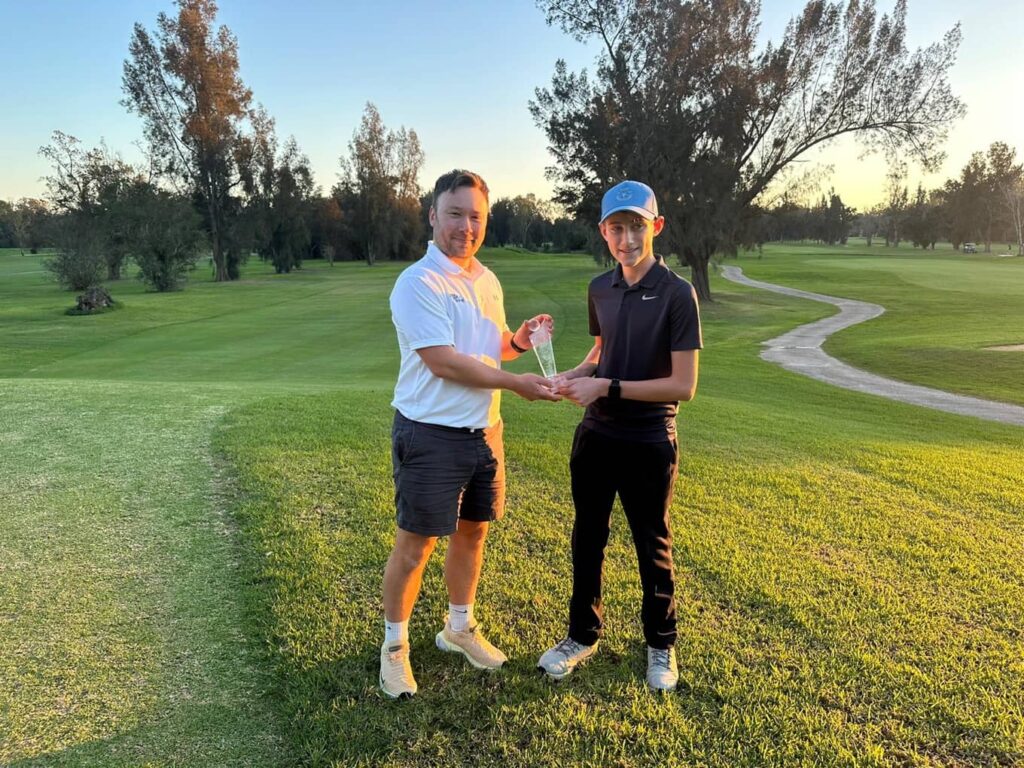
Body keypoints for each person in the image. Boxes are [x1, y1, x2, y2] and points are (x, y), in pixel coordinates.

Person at [380, 168, 560, 699]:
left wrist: (520, 341)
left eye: (475, 216)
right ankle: (394, 648)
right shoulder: (418, 282)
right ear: (433, 216)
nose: (465, 225)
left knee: (473, 532)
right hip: (430, 432)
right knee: (416, 545)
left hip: (485, 431)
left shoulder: (486, 279)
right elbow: (444, 362)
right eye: (454, 213)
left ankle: (458, 628)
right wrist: (517, 383)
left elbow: (490, 346)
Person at [537, 180, 702, 691]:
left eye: (636, 226)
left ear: (656, 227)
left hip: (650, 440)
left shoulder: (678, 293)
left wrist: (604, 386)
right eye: (616, 228)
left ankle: (660, 644)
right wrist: (570, 375)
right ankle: (582, 635)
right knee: (587, 538)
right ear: (603, 232)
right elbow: (601, 351)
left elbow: (683, 386)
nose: (626, 238)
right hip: (596, 437)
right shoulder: (599, 289)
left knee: (651, 544)